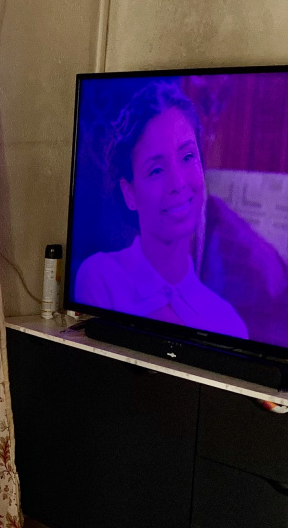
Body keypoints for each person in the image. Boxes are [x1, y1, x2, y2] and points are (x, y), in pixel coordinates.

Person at [74, 82, 248, 338]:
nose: (178, 184)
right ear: (129, 193)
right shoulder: (100, 277)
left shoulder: (228, 323)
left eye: (188, 157)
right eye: (156, 170)